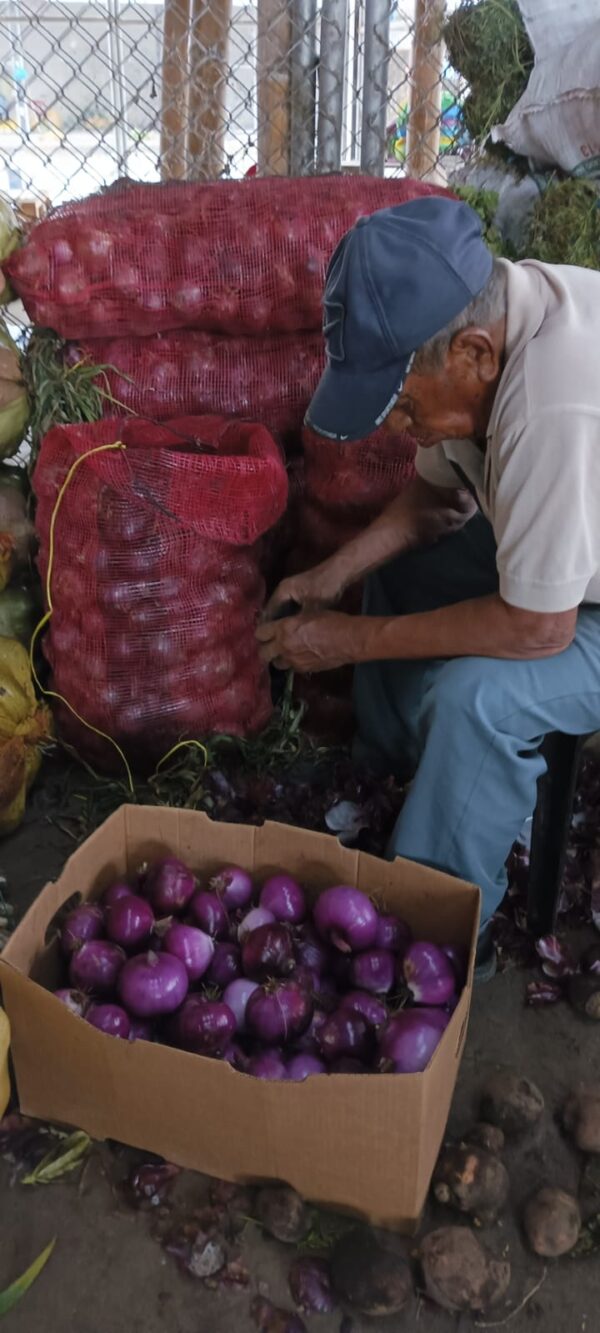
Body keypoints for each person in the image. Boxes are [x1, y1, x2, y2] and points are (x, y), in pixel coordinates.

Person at [256, 195, 600, 977]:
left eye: (404, 404)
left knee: (479, 696)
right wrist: (333, 576)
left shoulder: (554, 406)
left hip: (577, 602)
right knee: (403, 566)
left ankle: (432, 940)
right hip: (572, 554)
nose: (398, 426)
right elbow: (439, 500)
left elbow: (538, 629)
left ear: (473, 354)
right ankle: (396, 778)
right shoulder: (503, 318)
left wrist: (351, 640)